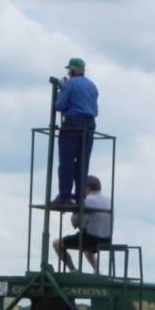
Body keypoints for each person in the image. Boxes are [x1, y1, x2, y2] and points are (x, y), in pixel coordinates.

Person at [53, 57, 98, 204]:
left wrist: (61, 89)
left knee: (67, 162)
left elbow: (59, 106)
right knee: (83, 162)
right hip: (89, 127)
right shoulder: (92, 85)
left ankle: (65, 196)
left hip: (72, 125)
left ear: (72, 69)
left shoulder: (70, 84)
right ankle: (80, 197)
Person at [52, 174, 111, 272]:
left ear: (86, 188)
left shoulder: (86, 201)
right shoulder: (109, 200)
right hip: (107, 240)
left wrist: (74, 211)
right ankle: (97, 270)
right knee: (87, 249)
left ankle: (73, 270)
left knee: (56, 243)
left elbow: (75, 224)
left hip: (91, 239)